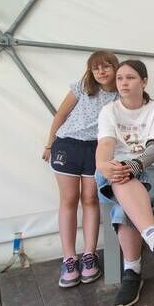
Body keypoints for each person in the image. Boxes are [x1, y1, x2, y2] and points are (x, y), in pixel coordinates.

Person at [95, 59, 154, 306]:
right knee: (119, 179)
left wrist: (134, 166)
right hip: (116, 168)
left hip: (148, 166)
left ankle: (132, 272)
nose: (123, 83)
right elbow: (105, 146)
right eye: (120, 78)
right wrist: (103, 165)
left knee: (126, 201)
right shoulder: (109, 111)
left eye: (130, 77)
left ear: (144, 82)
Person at [42, 50, 119, 288]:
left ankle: (89, 255)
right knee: (69, 199)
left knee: (90, 198)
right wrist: (49, 144)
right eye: (96, 68)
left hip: (97, 149)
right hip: (67, 144)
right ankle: (69, 258)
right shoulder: (82, 87)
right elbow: (61, 114)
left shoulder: (120, 94)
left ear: (115, 68)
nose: (101, 71)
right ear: (90, 71)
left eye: (106, 66)